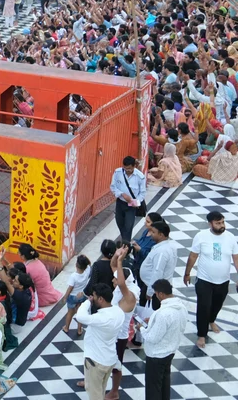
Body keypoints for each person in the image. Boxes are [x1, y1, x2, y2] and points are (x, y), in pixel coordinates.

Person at [73, 249, 134, 400]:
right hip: (109, 360)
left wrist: (87, 301)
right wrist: (118, 259)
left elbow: (80, 316)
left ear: (100, 299)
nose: (92, 298)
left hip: (96, 363)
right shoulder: (118, 312)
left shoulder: (100, 318)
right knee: (100, 390)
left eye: (94, 296)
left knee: (95, 395)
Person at [183, 209, 238, 349]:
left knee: (217, 304)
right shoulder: (201, 236)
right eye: (218, 223)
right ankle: (202, 334)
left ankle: (212, 320)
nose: (221, 225)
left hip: (223, 280)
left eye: (223, 222)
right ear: (210, 224)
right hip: (204, 280)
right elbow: (193, 256)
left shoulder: (230, 237)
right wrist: (187, 273)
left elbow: (236, 258)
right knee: (203, 307)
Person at [135, 279, 186, 400]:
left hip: (156, 355)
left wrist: (141, 328)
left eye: (156, 294)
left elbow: (152, 338)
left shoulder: (163, 314)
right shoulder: (181, 307)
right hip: (170, 351)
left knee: (153, 389)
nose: (155, 296)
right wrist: (152, 321)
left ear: (161, 294)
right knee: (164, 384)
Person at [110, 156, 146, 243]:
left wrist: (134, 202)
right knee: (120, 223)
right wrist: (122, 194)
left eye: (129, 168)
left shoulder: (140, 177)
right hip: (120, 203)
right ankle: (125, 241)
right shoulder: (118, 172)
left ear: (134, 166)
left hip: (131, 206)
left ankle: (125, 245)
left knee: (128, 226)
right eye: (125, 168)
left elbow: (142, 193)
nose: (127, 170)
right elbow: (113, 187)